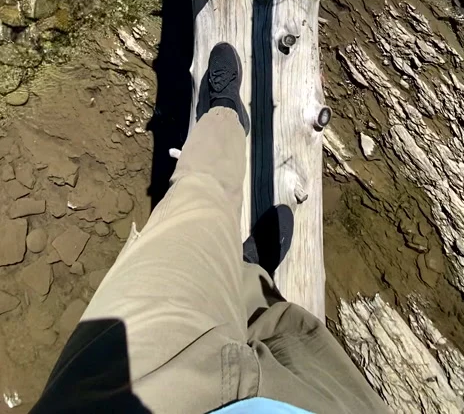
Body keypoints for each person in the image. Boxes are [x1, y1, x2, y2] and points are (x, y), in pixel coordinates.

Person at [30, 43, 390, 414]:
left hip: (135, 395)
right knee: (286, 325)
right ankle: (251, 271)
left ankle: (223, 113)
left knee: (198, 199)